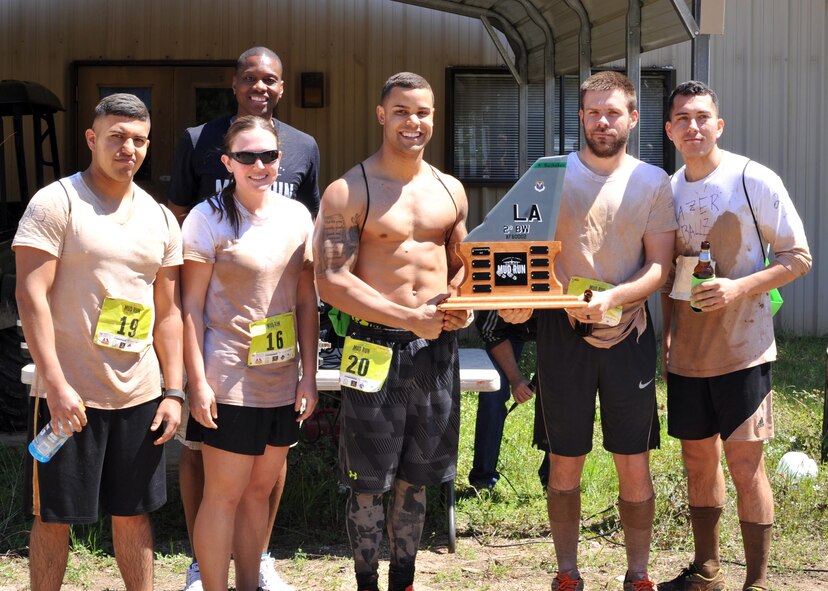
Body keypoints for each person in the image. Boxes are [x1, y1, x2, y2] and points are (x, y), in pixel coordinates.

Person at [502, 71, 677, 591]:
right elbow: (525, 250)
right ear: (580, 118)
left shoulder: (652, 182)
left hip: (630, 333)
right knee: (565, 458)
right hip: (563, 333)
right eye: (594, 112)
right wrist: (555, 299)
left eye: (614, 112)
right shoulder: (547, 174)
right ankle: (567, 572)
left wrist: (613, 299)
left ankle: (638, 574)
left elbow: (658, 268)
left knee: (633, 460)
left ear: (633, 118)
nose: (604, 121)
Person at [14, 93, 184, 591]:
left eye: (138, 140)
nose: (127, 148)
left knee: (134, 514)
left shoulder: (160, 218)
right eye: (116, 137)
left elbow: (169, 313)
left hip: (139, 394)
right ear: (92, 139)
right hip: (68, 397)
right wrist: (56, 384)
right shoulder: (56, 202)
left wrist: (173, 392)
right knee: (54, 518)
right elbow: (31, 297)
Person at [168, 46, 320, 591]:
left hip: (280, 377)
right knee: (224, 495)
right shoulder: (206, 221)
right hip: (227, 378)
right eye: (247, 157)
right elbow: (188, 307)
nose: (261, 165)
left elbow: (306, 299)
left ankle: (251, 581)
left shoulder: (299, 216)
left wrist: (308, 373)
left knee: (260, 492)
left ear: (281, 159)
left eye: (269, 157)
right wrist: (195, 383)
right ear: (226, 163)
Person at [313, 72, 470, 591]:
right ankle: (365, 583)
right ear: (382, 115)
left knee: (418, 477)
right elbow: (331, 282)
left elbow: (465, 264)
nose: (414, 122)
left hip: (435, 352)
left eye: (422, 112)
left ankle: (404, 579)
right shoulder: (349, 189)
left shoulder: (450, 189)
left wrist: (462, 303)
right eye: (401, 110)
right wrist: (407, 317)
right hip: (372, 348)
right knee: (367, 482)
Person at [658, 81, 812, 591]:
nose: (693, 126)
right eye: (682, 119)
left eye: (702, 117)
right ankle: (707, 571)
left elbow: (798, 257)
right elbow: (663, 274)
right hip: (687, 358)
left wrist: (738, 287)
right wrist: (666, 344)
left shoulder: (752, 178)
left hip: (745, 351)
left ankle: (758, 582)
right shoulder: (669, 189)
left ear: (718, 125)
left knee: (746, 465)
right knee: (697, 460)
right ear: (670, 130)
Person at [468, 309, 537, 491]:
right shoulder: (501, 282)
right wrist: (515, 379)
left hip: (553, 330)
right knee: (492, 393)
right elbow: (490, 330)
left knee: (559, 394)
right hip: (504, 331)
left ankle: (554, 480)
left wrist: (542, 379)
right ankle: (482, 479)